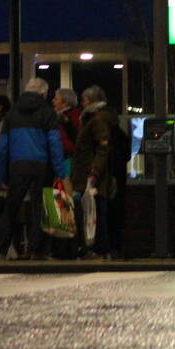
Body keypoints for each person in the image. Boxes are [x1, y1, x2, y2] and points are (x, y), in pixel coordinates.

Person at [0, 77, 66, 261]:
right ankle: (36, 250)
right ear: (43, 93)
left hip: (18, 166)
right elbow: (55, 143)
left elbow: (2, 147)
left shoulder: (11, 114)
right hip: (42, 167)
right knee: (40, 209)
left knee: (11, 208)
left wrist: (3, 175)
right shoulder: (48, 113)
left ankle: (1, 250)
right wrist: (59, 171)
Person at [71, 85, 120, 259]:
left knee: (94, 212)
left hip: (91, 175)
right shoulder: (97, 118)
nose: (81, 103)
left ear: (91, 101)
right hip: (93, 174)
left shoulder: (97, 120)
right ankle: (98, 247)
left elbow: (102, 148)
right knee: (95, 211)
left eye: (84, 100)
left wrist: (94, 172)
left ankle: (98, 247)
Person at [52, 88, 83, 172]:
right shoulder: (63, 116)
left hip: (69, 158)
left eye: (56, 99)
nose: (53, 101)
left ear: (65, 103)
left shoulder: (73, 116)